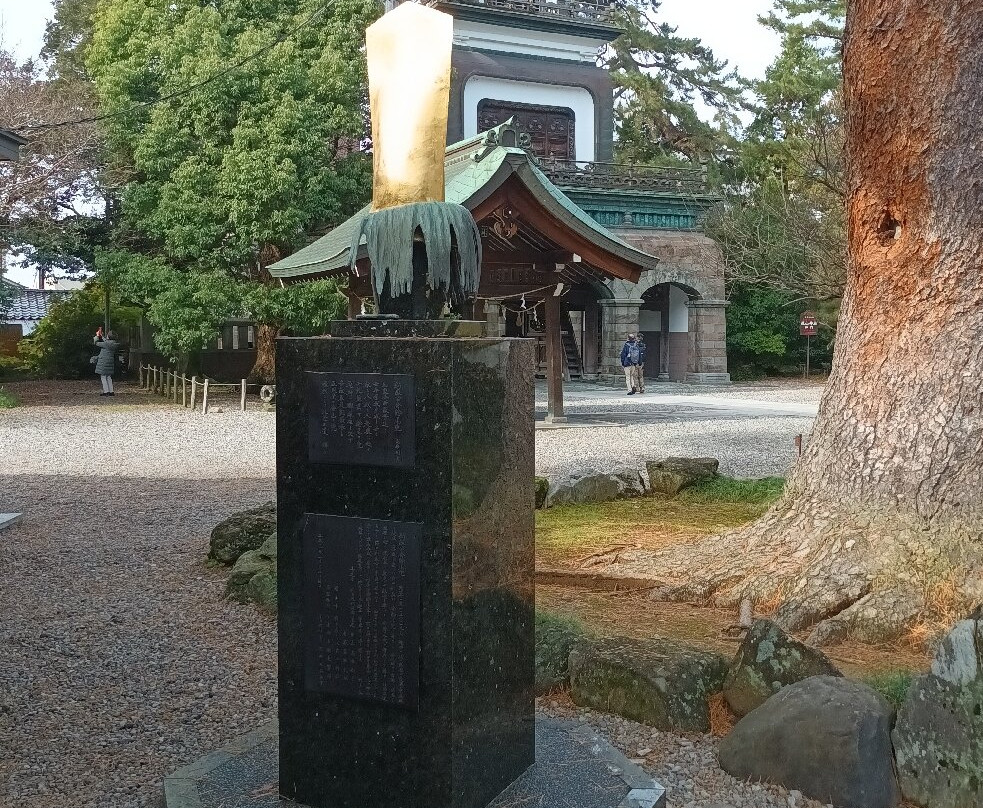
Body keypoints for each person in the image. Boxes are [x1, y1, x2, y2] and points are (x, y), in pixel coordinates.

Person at [93, 327, 120, 397]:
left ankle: (106, 391)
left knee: (103, 377)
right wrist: (101, 336)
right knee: (108, 377)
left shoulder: (106, 344)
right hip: (110, 363)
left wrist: (96, 336)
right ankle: (111, 391)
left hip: (103, 362)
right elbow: (106, 341)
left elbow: (96, 343)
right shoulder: (113, 344)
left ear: (109, 336)